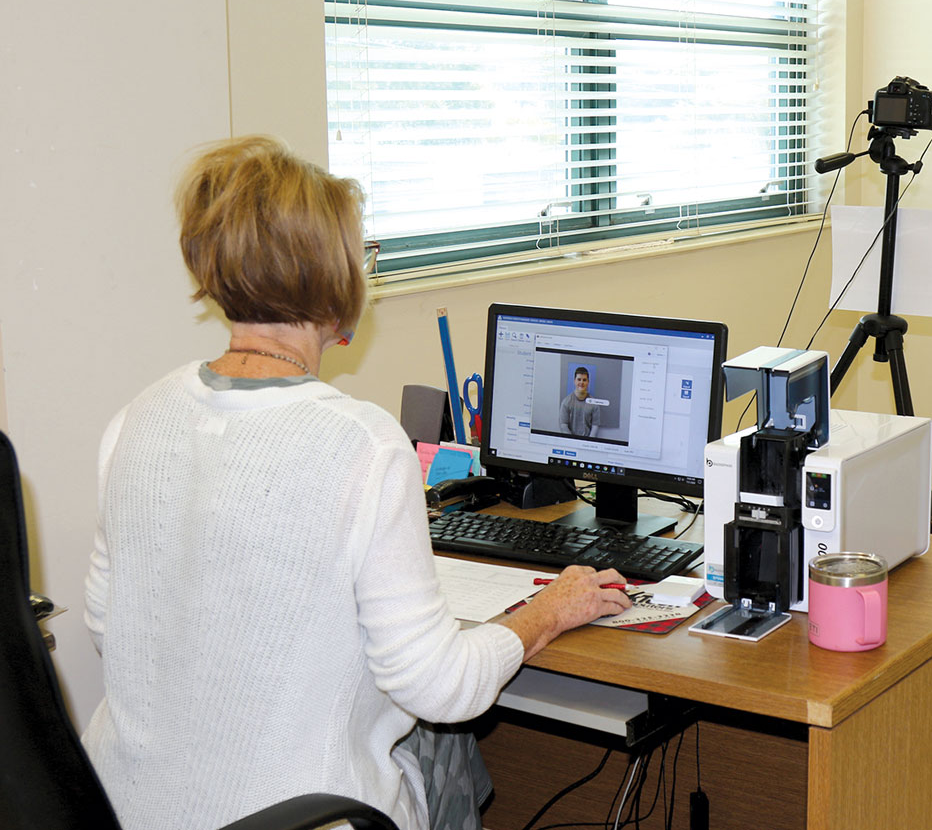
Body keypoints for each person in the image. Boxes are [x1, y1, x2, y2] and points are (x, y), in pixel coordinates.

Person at [80, 135, 631, 830]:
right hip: (308, 816)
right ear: (333, 279)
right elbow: (440, 687)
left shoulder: (136, 418)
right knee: (442, 757)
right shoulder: (360, 444)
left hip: (118, 810)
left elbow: (110, 629)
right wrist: (549, 609)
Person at [558, 366, 600, 437]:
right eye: (579, 379)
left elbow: (595, 426)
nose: (581, 382)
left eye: (584, 380)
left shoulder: (594, 404)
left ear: (588, 382)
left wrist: (588, 442)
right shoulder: (566, 402)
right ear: (575, 381)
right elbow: (563, 425)